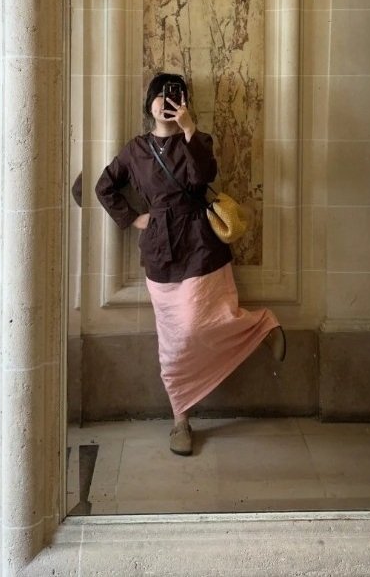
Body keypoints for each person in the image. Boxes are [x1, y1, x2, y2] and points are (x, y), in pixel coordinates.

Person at [95, 72, 286, 457]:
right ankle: (180, 420)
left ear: (184, 103)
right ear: (149, 102)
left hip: (199, 243)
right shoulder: (135, 150)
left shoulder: (198, 140)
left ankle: (261, 325)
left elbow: (204, 176)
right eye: (160, 95)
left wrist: (189, 129)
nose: (166, 102)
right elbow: (104, 187)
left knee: (201, 321)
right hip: (159, 251)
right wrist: (134, 218)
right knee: (173, 342)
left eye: (175, 96)